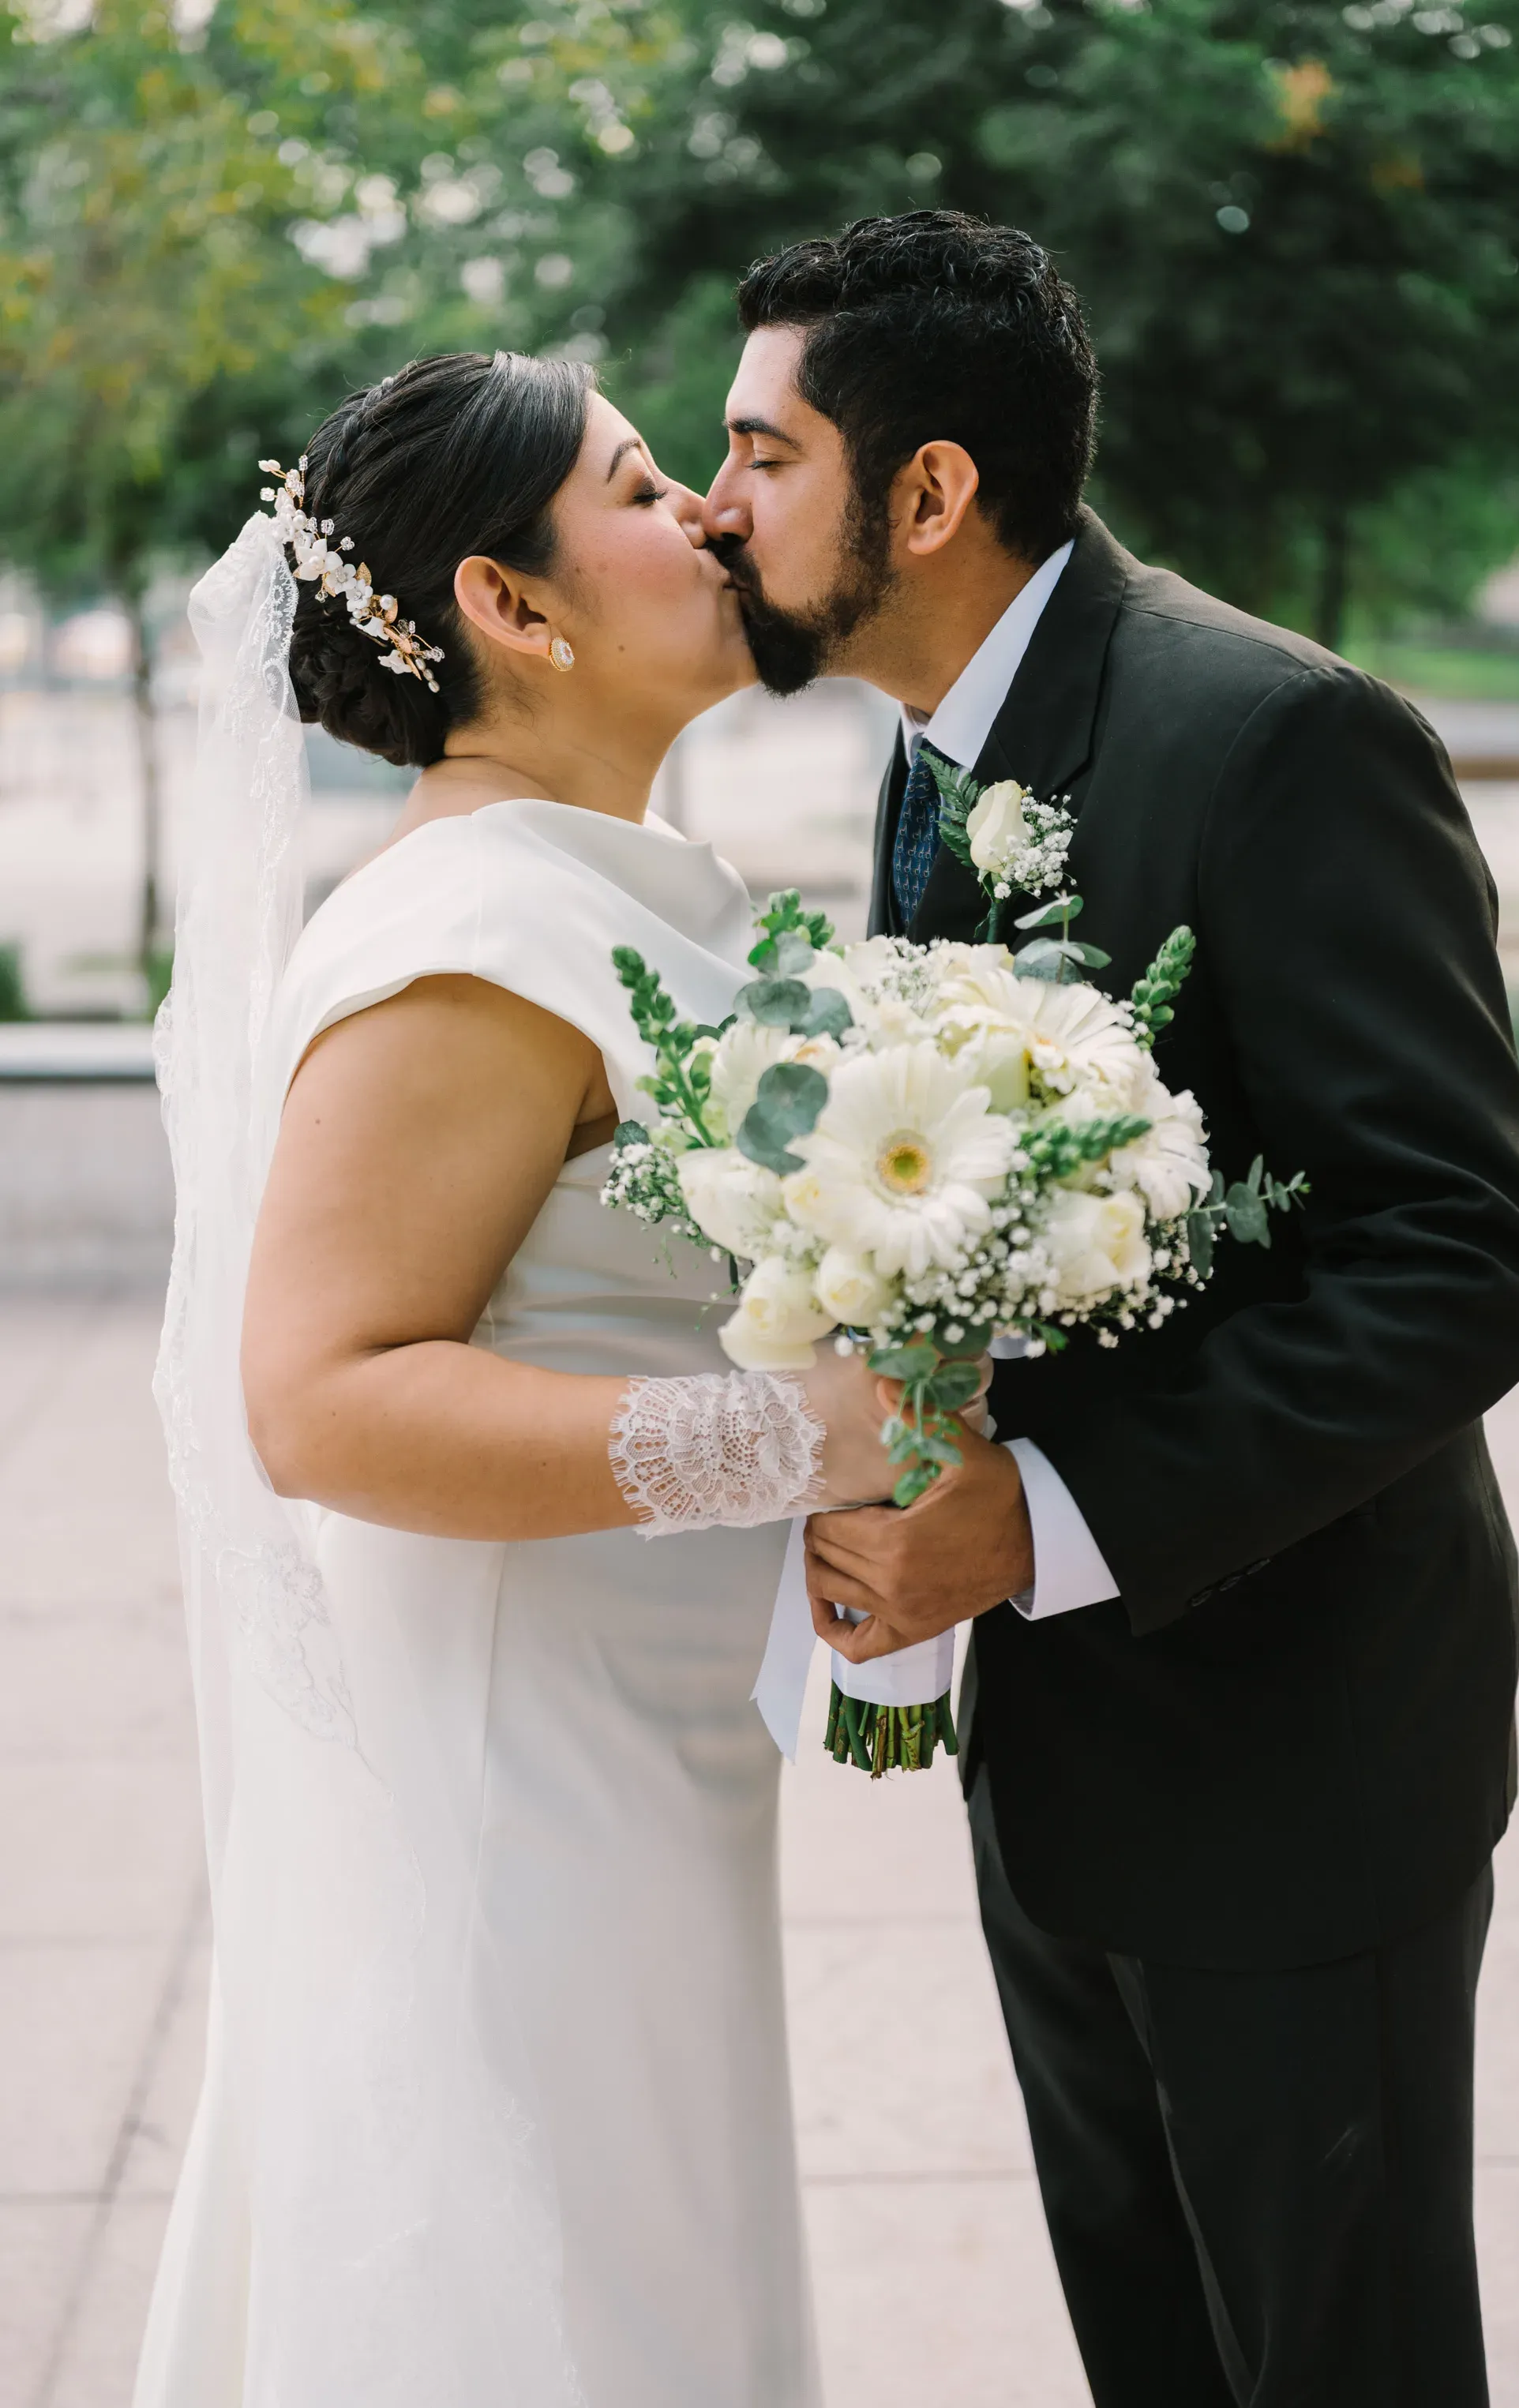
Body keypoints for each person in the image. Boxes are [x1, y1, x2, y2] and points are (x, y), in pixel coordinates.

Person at [703, 211, 1519, 2408]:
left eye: (761, 453)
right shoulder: (923, 748)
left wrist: (1050, 1517)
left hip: (1296, 1759)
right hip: (1065, 1755)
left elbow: (1468, 1254)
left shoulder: (1282, 739)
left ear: (928, 493)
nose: (719, 509)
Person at [137, 349, 915, 2408]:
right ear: (511, 604)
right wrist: (805, 1433)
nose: (716, 520)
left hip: (642, 1742)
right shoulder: (478, 930)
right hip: (519, 1779)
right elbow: (318, 1399)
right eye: (648, 487)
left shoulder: (598, 890)